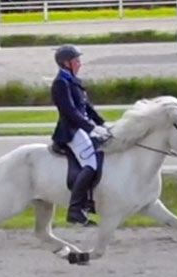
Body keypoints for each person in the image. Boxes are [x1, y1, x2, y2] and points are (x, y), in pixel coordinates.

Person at [50, 43, 111, 226]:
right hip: (71, 131)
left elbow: (87, 108)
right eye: (76, 60)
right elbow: (69, 111)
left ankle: (91, 200)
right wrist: (90, 128)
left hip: (81, 128)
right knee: (90, 163)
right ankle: (75, 209)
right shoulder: (60, 83)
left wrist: (104, 124)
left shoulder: (73, 80)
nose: (79, 63)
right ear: (66, 63)